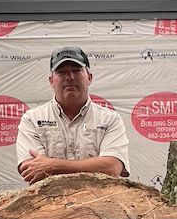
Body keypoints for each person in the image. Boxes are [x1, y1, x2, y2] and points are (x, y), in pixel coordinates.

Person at [16, 47, 130, 184]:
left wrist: (52, 166)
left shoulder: (110, 120)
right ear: (51, 81)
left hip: (100, 203)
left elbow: (112, 168)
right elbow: (31, 171)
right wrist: (93, 166)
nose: (70, 77)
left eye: (76, 70)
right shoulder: (32, 119)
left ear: (89, 77)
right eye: (61, 72)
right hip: (48, 203)